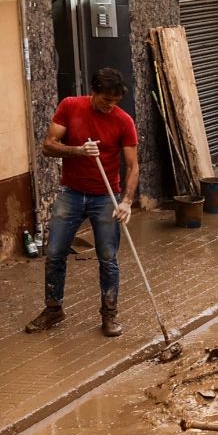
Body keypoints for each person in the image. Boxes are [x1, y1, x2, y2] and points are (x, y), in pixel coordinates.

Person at [28, 68, 139, 338]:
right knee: (54, 253)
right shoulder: (70, 106)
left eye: (115, 101)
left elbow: (133, 166)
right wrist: (78, 151)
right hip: (72, 193)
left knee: (108, 257)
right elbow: (47, 146)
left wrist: (126, 202)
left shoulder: (123, 121)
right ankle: (54, 309)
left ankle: (109, 315)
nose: (110, 105)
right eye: (105, 99)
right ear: (93, 91)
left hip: (105, 196)